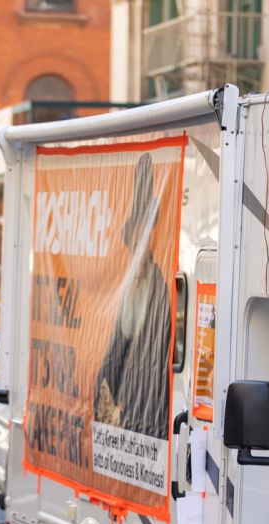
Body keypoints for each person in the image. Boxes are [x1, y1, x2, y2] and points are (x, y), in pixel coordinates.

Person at [93, 152, 172, 440]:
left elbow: (156, 362)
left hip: (150, 418)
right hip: (125, 418)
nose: (139, 241)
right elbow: (116, 351)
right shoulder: (126, 289)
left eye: (145, 232)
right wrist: (104, 392)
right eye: (135, 234)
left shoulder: (160, 290)